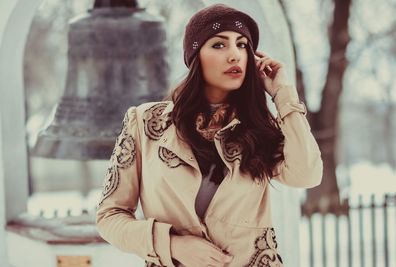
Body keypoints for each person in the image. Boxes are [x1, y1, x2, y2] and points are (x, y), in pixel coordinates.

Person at [96, 3, 323, 267]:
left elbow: (308, 174)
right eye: (218, 45)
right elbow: (109, 216)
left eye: (241, 45)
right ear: (195, 56)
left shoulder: (259, 128)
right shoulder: (145, 123)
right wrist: (172, 245)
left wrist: (283, 93)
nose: (234, 55)